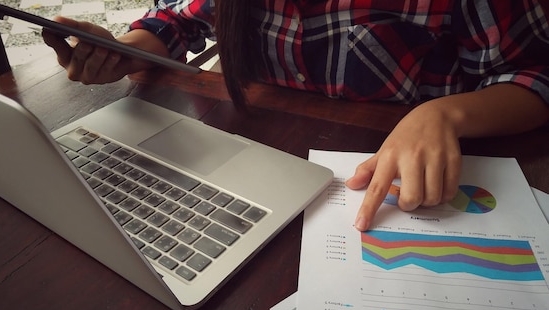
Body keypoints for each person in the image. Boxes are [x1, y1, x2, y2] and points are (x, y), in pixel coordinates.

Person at [43, 0, 549, 232]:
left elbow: (535, 73)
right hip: (258, 174)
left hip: (393, 188)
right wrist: (127, 51)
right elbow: (179, 20)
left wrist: (446, 115)